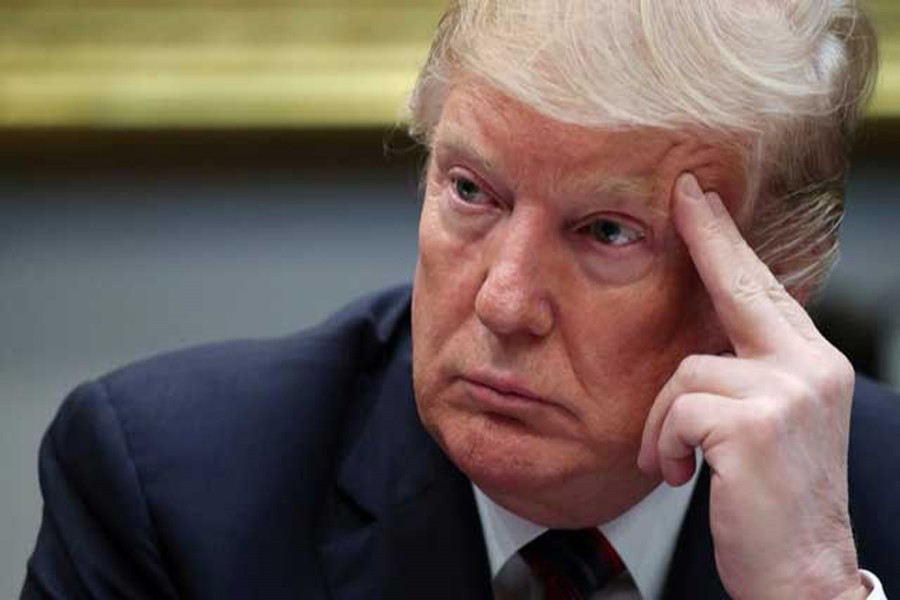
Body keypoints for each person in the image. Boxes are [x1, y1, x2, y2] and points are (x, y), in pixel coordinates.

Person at [21, 1, 899, 599]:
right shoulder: (172, 495)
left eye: (606, 232)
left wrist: (811, 589)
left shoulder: (873, 515)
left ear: (780, 277)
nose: (505, 303)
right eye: (473, 191)